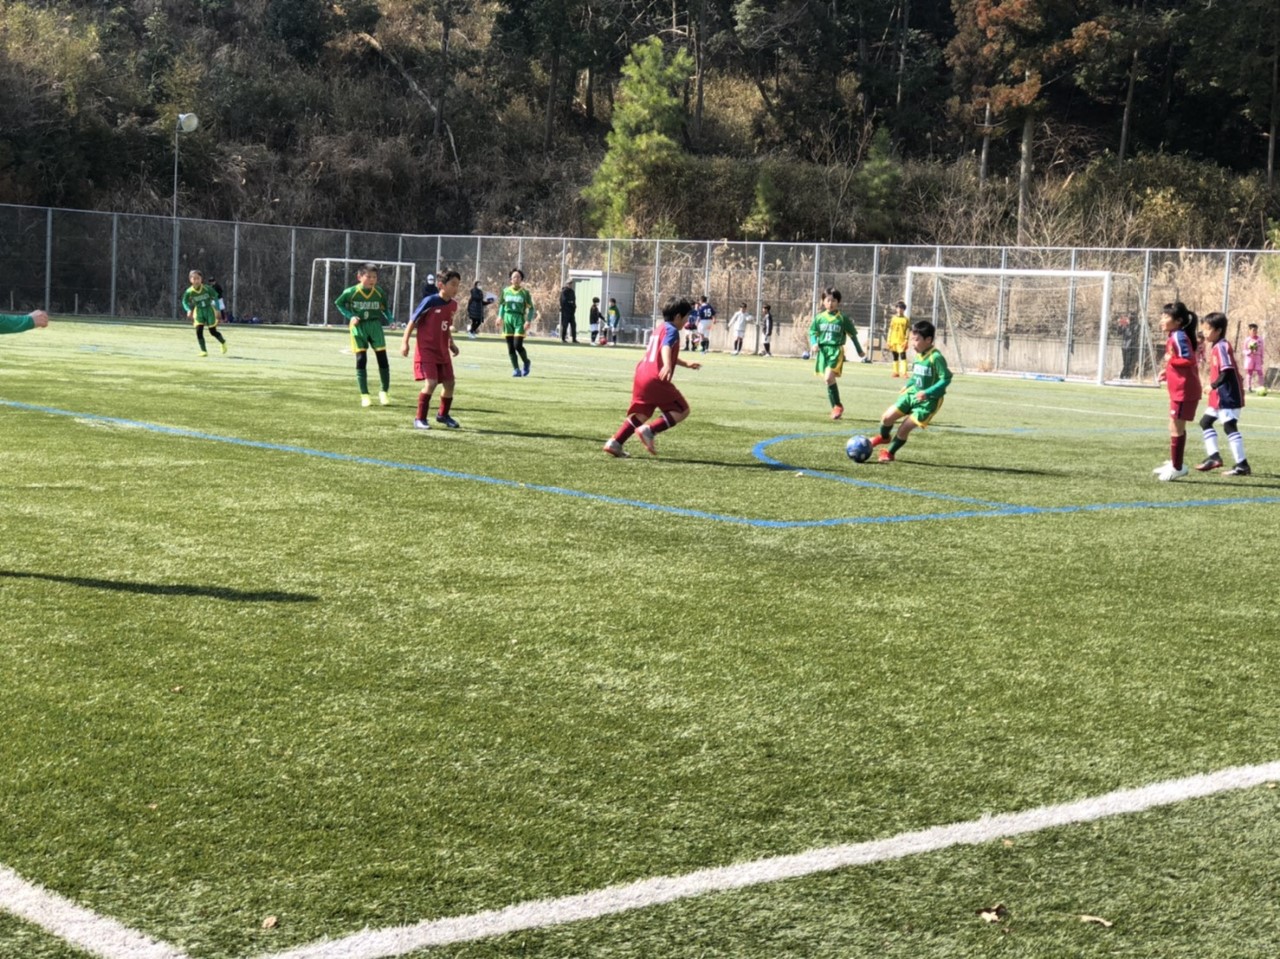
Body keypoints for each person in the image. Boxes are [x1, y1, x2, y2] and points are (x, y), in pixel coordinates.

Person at [603, 296, 702, 458]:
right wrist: (667, 365)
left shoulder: (660, 328)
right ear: (678, 316)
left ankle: (615, 442)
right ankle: (649, 430)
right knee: (682, 410)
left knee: (643, 414)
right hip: (655, 379)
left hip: (641, 374)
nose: (686, 321)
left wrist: (685, 363)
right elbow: (665, 348)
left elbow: (661, 351)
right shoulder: (672, 330)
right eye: (686, 317)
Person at [868, 319, 951, 463]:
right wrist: (908, 385)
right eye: (912, 339)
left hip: (928, 401)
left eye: (916, 340)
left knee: (904, 428)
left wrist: (928, 392)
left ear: (928, 340)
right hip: (912, 394)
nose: (913, 343)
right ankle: (884, 437)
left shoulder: (936, 357)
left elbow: (946, 378)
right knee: (887, 418)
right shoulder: (919, 355)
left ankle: (889, 453)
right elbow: (917, 375)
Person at [401, 269, 462, 431]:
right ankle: (420, 418)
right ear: (441, 285)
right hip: (426, 350)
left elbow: (446, 326)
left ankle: (443, 415)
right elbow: (412, 321)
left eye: (458, 285)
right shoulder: (430, 301)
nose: (456, 288)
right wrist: (405, 342)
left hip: (442, 350)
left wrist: (451, 343)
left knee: (450, 383)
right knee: (431, 383)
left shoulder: (453, 305)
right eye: (453, 284)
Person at [1194, 312, 1250, 476]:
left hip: (1228, 395)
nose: (1205, 333)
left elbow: (1227, 371)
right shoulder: (1216, 346)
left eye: (1208, 329)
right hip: (1219, 396)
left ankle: (1242, 465)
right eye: (1203, 329)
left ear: (1218, 330)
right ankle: (1214, 457)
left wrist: (1212, 386)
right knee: (1205, 422)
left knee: (1229, 426)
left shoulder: (1222, 347)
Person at [1153, 300, 1202, 481]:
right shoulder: (1174, 335)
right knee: (1174, 426)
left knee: (1176, 427)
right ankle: (1175, 462)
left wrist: (1170, 361)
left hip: (1184, 391)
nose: (1162, 320)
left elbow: (1189, 359)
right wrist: (1167, 371)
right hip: (1179, 389)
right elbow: (1180, 360)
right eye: (1162, 315)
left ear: (1178, 321)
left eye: (1166, 316)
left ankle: (1177, 467)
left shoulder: (1178, 337)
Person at [334, 262, 393, 406]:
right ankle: (365, 395)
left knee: (382, 359)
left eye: (374, 277)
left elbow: (385, 309)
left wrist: (391, 320)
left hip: (375, 326)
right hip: (359, 327)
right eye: (369, 277)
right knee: (361, 359)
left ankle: (384, 392)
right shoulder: (351, 292)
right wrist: (351, 316)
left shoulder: (379, 292)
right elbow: (339, 303)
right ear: (359, 277)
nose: (372, 280)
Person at [808, 287, 866, 420]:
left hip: (836, 351)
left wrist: (859, 351)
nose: (830, 303)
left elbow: (853, 335)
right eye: (828, 300)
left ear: (838, 302)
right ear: (823, 301)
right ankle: (836, 406)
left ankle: (837, 406)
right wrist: (814, 343)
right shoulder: (819, 318)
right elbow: (812, 332)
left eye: (833, 301)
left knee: (828, 378)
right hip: (823, 351)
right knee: (828, 380)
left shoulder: (842, 318)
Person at [182, 269, 228, 357]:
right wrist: (188, 310)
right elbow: (184, 301)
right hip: (199, 311)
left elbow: (215, 297)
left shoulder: (207, 288)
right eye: (194, 278)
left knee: (212, 331)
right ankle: (204, 351)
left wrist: (218, 309)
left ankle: (223, 342)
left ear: (201, 279)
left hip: (209, 310)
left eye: (198, 278)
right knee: (199, 330)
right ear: (190, 280)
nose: (196, 281)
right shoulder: (189, 291)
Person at [498, 268, 534, 376]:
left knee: (517, 345)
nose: (516, 279)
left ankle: (526, 362)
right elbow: (502, 305)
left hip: (519, 320)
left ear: (521, 279)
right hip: (508, 319)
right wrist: (500, 317)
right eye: (514, 277)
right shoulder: (505, 291)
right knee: (510, 347)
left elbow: (531, 308)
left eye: (519, 277)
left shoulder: (524, 293)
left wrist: (528, 320)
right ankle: (516, 369)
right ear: (510, 279)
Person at [886, 300, 910, 377]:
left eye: (901, 308)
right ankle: (896, 372)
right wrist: (888, 340)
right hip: (893, 340)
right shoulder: (893, 318)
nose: (899, 309)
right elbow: (890, 329)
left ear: (904, 309)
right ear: (896, 309)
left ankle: (904, 372)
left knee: (903, 356)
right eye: (898, 308)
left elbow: (907, 330)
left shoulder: (906, 319)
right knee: (895, 356)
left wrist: (906, 340)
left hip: (901, 341)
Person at [1117, 312, 1141, 380]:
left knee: (1128, 362)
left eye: (1130, 317)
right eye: (1128, 317)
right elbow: (1119, 333)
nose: (1129, 318)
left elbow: (1133, 333)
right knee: (1125, 362)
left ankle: (1123, 375)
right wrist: (1120, 325)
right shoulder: (1125, 325)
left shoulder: (1137, 325)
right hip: (1124, 346)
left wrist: (1129, 324)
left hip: (1131, 346)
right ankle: (1126, 375)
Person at [1243, 323, 1264, 392]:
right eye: (1253, 330)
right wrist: (1249, 351)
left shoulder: (1260, 339)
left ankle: (1261, 387)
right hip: (1250, 358)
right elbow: (1244, 350)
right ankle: (1249, 387)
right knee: (1249, 372)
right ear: (1249, 331)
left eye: (1256, 330)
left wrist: (1262, 358)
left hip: (1257, 357)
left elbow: (1262, 349)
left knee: (1260, 371)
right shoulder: (1247, 340)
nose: (1255, 332)